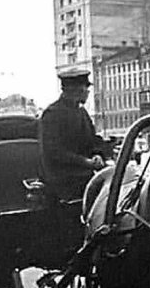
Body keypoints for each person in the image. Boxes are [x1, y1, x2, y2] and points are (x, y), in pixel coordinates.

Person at [39, 68, 108, 200]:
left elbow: (92, 140)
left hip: (84, 175)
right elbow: (54, 152)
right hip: (62, 180)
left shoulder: (82, 113)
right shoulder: (52, 114)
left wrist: (97, 154)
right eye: (84, 89)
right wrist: (86, 162)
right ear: (74, 90)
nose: (87, 93)